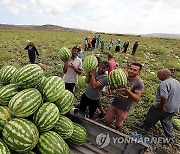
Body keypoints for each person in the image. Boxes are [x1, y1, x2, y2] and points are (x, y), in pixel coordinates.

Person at [141, 69, 180, 143]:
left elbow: (164, 97)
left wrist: (162, 107)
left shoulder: (164, 84)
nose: (157, 76)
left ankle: (144, 129)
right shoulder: (176, 82)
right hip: (175, 107)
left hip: (165, 106)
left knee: (152, 115)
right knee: (166, 120)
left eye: (158, 75)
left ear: (163, 75)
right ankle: (171, 138)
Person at [105, 62, 144, 130]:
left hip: (124, 108)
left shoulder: (139, 83)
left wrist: (127, 91)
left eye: (135, 70)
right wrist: (111, 84)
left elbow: (137, 99)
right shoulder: (122, 76)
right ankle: (106, 131)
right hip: (114, 103)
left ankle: (116, 133)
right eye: (131, 69)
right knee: (108, 120)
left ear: (139, 72)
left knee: (118, 124)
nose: (131, 71)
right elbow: (112, 88)